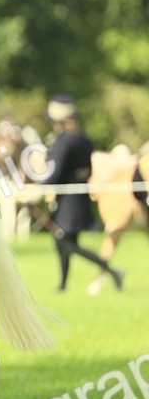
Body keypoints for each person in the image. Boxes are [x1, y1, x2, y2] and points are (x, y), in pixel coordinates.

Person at [45, 95, 124, 292]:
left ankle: (113, 271)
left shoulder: (64, 141)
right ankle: (62, 286)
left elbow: (54, 173)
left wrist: (40, 186)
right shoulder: (84, 140)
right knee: (62, 243)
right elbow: (87, 170)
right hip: (79, 198)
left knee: (68, 244)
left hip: (67, 202)